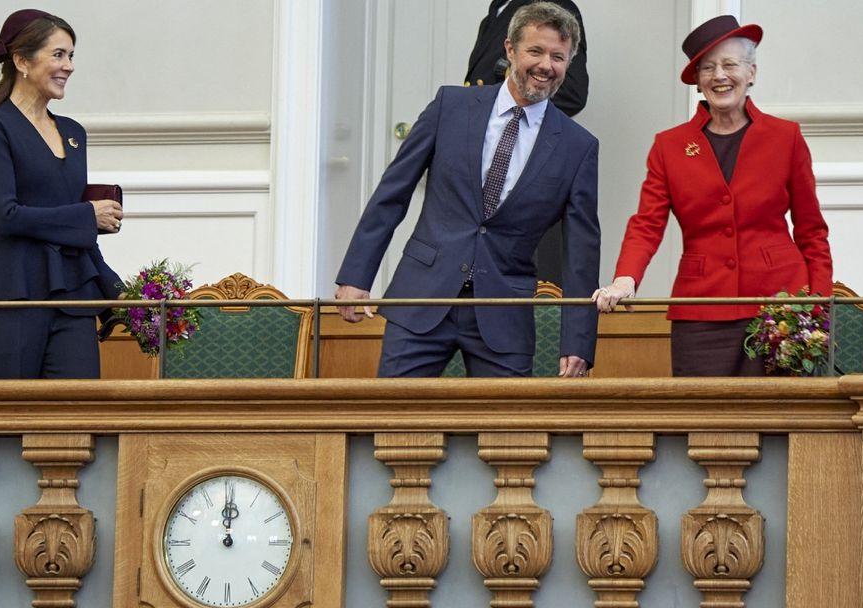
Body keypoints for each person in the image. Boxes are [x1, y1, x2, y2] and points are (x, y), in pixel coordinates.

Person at [336, 2, 600, 378]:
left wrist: (578, 342)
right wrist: (356, 276)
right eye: (535, 51)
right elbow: (392, 192)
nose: (546, 65)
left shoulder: (578, 146)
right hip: (423, 298)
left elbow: (582, 251)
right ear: (510, 50)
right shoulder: (451, 105)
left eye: (558, 56)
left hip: (503, 316)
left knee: (506, 435)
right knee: (394, 425)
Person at [592, 15, 833, 376]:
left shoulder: (786, 137)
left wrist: (817, 304)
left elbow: (812, 230)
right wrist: (626, 278)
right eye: (708, 68)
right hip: (701, 310)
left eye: (730, 64)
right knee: (703, 425)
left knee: (782, 422)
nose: (719, 75)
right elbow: (647, 224)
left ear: (751, 73)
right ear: (699, 81)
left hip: (780, 309)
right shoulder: (670, 146)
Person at [0, 9, 123, 379]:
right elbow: (7, 215)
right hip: (13, 294)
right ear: (21, 60)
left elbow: (73, 231)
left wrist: (121, 294)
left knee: (77, 422)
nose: (68, 66)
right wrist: (87, 216)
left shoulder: (73, 132)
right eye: (58, 54)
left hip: (73, 299)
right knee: (6, 422)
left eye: (71, 56)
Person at [464, 0, 590, 287]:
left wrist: (516, 105)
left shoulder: (554, 7)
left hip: (525, 156)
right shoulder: (498, 6)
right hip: (483, 157)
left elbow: (573, 92)